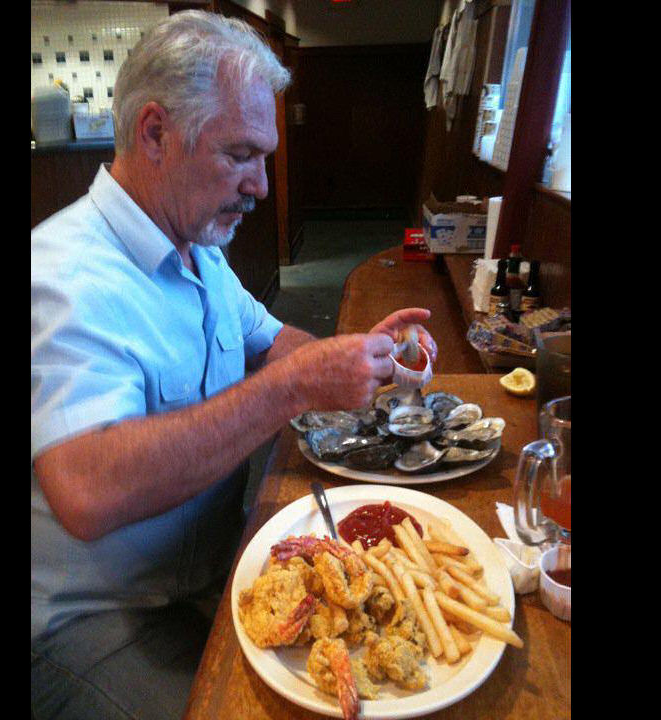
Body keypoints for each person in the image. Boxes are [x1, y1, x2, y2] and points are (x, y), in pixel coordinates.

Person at [31, 10, 437, 720]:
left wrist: (365, 358)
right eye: (241, 154)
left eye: (264, 157)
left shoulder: (199, 248)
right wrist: (290, 390)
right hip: (93, 622)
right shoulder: (60, 276)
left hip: (218, 573)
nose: (261, 186)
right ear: (155, 133)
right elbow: (87, 490)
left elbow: (273, 341)